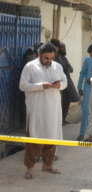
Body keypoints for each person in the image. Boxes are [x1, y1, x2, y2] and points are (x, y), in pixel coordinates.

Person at [20, 43, 67, 179]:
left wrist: (60, 85)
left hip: (53, 108)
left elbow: (65, 82)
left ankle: (48, 165)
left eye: (52, 58)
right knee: (35, 138)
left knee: (52, 137)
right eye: (46, 58)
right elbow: (22, 86)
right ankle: (30, 168)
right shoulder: (30, 67)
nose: (49, 61)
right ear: (39, 55)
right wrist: (40, 86)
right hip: (37, 109)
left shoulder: (57, 66)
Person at [77, 43, 92, 141]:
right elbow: (82, 73)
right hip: (88, 89)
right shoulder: (88, 60)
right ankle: (82, 133)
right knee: (86, 113)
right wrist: (79, 87)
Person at [58, 42, 80, 125]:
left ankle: (64, 118)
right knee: (62, 101)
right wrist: (67, 69)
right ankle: (60, 119)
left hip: (67, 83)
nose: (64, 49)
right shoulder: (58, 58)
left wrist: (67, 69)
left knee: (67, 101)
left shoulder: (64, 59)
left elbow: (71, 69)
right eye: (62, 47)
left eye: (65, 47)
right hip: (61, 83)